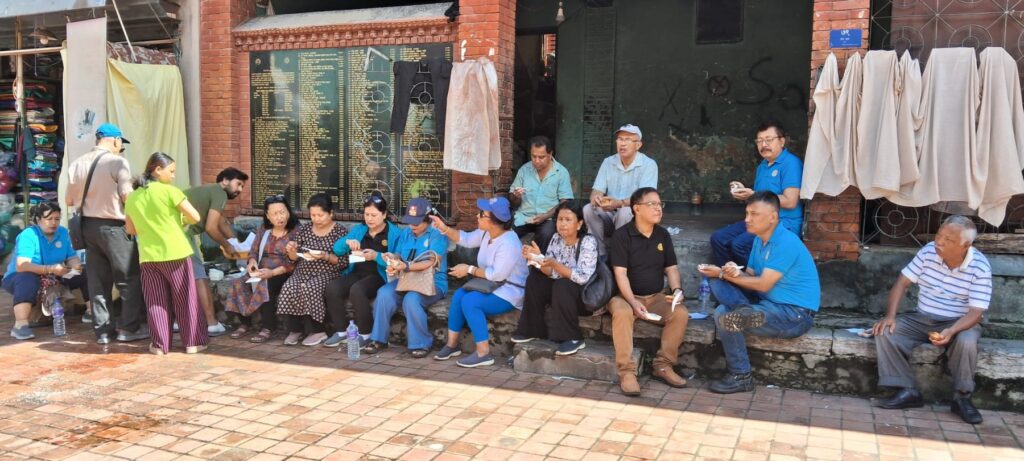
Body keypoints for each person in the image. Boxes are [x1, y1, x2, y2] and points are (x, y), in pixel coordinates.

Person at [698, 191, 820, 394]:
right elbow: (750, 277)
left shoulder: (786, 242)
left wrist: (722, 273)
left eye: (754, 214)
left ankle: (741, 377)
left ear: (773, 217)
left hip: (794, 316)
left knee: (728, 317)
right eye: (747, 213)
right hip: (767, 306)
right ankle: (743, 309)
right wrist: (732, 271)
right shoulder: (758, 239)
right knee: (719, 297)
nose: (747, 219)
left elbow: (762, 285)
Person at [872, 216, 990, 424]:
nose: (939, 242)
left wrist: (951, 331)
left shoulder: (980, 267)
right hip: (922, 318)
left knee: (966, 341)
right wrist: (890, 316)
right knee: (885, 331)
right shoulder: (928, 251)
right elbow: (902, 283)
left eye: (949, 240)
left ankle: (962, 398)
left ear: (966, 245)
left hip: (960, 322)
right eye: (939, 235)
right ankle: (907, 390)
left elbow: (976, 313)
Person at [65, 123, 148, 344]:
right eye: (121, 144)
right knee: (128, 279)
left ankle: (103, 332)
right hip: (114, 227)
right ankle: (129, 329)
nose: (121, 148)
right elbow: (127, 197)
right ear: (116, 140)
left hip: (88, 228)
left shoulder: (77, 163)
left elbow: (69, 200)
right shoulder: (117, 162)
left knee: (98, 283)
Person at [430, 197, 530, 368]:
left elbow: (497, 274)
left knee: (470, 301)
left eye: (482, 214)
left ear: (494, 221)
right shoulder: (486, 232)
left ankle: (483, 353)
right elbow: (466, 239)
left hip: (510, 290)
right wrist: (443, 227)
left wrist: (468, 269)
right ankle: (452, 345)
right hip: (490, 285)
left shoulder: (509, 242)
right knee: (459, 295)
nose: (477, 216)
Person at [608, 187, 688, 395]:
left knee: (680, 313)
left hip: (655, 298)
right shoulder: (622, 236)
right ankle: (626, 372)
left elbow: (671, 268)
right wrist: (633, 302)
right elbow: (620, 274)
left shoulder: (662, 235)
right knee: (622, 312)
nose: (658, 208)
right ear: (636, 208)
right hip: (625, 297)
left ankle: (663, 365)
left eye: (660, 204)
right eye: (652, 204)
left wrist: (677, 290)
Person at [124, 152, 205, 355]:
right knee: (185, 299)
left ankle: (160, 345)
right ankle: (192, 342)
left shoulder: (132, 197)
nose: (174, 175)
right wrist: (180, 221)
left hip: (148, 256)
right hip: (176, 252)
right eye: (171, 171)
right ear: (157, 170)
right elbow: (195, 217)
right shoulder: (170, 191)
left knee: (156, 300)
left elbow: (130, 229)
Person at [362, 197, 448, 357]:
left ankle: (422, 343)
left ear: (428, 219)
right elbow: (399, 255)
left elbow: (432, 261)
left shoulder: (437, 234)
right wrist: (392, 259)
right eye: (410, 221)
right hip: (406, 279)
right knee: (384, 293)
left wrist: (406, 266)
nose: (412, 226)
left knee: (412, 299)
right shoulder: (406, 233)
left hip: (432, 282)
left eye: (417, 222)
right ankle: (378, 339)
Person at [711, 121, 804, 266]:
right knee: (718, 238)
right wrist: (743, 192)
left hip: (783, 223)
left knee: (740, 245)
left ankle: (760, 278)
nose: (763, 145)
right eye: (759, 141)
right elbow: (759, 198)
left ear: (782, 141)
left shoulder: (791, 163)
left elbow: (790, 201)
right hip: (758, 220)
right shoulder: (763, 166)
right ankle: (732, 276)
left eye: (769, 140)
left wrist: (753, 194)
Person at [512, 201, 598, 355]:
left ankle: (573, 338)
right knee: (535, 278)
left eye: (568, 220)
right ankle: (533, 329)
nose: (562, 224)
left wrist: (555, 264)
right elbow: (550, 271)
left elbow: (582, 278)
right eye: (560, 219)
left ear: (579, 224)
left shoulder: (588, 242)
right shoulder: (556, 238)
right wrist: (537, 258)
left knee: (563, 284)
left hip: (583, 299)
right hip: (560, 295)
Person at [324, 193, 401, 348]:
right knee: (333, 287)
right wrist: (348, 242)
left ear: (384, 214)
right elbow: (337, 249)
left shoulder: (395, 233)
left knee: (357, 290)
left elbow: (397, 262)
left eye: (374, 215)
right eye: (366, 214)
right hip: (357, 272)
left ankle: (366, 333)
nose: (369, 219)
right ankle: (341, 331)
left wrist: (376, 256)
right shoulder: (360, 230)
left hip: (380, 275)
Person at [3, 202, 88, 340]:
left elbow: (71, 257)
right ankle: (20, 325)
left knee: (86, 272)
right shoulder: (28, 235)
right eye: (49, 219)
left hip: (53, 275)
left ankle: (92, 312)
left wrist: (75, 267)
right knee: (27, 279)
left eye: (57, 219)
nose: (53, 223)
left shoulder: (62, 232)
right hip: (20, 276)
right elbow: (22, 266)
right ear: (38, 220)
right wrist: (50, 269)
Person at [184, 167, 249, 337]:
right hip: (182, 234)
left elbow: (222, 223)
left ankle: (178, 321)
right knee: (200, 277)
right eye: (238, 184)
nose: (240, 190)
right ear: (225, 181)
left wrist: (236, 245)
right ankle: (212, 323)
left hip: (171, 234)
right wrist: (227, 246)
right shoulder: (219, 193)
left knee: (182, 278)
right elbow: (211, 228)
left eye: (242, 187)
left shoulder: (209, 191)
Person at [223, 194, 298, 343]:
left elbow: (293, 262)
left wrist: (272, 273)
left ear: (288, 212)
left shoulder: (296, 231)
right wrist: (252, 263)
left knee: (266, 284)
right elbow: (254, 251)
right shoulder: (264, 229)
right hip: (261, 270)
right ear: (268, 216)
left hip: (284, 271)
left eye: (282, 212)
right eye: (275, 214)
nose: (280, 217)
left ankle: (267, 327)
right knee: (239, 283)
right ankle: (244, 323)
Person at [277, 194, 348, 346]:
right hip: (303, 270)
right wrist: (291, 250)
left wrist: (325, 256)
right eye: (313, 215)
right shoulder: (306, 229)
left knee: (310, 288)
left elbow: (345, 261)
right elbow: (293, 258)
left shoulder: (340, 232)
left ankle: (318, 331)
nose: (316, 219)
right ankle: (295, 329)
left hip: (328, 272)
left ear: (330, 213)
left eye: (320, 215)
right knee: (289, 287)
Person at [584, 124, 658, 255]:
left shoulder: (649, 164)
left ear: (638, 145)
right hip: (610, 214)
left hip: (635, 216)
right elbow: (596, 191)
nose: (622, 143)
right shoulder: (608, 162)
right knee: (588, 209)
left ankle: (619, 254)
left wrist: (619, 203)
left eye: (627, 139)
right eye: (620, 139)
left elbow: (645, 200)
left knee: (625, 211)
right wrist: (597, 199)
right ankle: (598, 254)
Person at [509, 135, 573, 253]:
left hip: (548, 219)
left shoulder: (561, 172)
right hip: (524, 217)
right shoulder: (524, 170)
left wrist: (545, 216)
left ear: (550, 154)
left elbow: (565, 201)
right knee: (508, 234)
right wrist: (516, 196)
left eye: (541, 157)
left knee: (546, 233)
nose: (537, 160)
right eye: (534, 156)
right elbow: (513, 200)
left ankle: (539, 262)